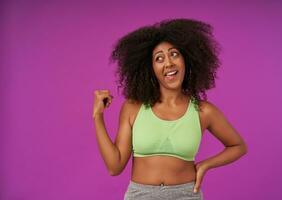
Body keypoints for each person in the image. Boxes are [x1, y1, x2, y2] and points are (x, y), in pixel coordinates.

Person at [92, 18, 247, 200]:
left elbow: (238, 146)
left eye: (174, 54)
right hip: (141, 196)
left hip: (186, 195)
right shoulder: (134, 107)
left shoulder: (203, 111)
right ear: (150, 68)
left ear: (187, 59)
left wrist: (205, 165)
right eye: (159, 58)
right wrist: (98, 116)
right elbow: (115, 166)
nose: (168, 63)